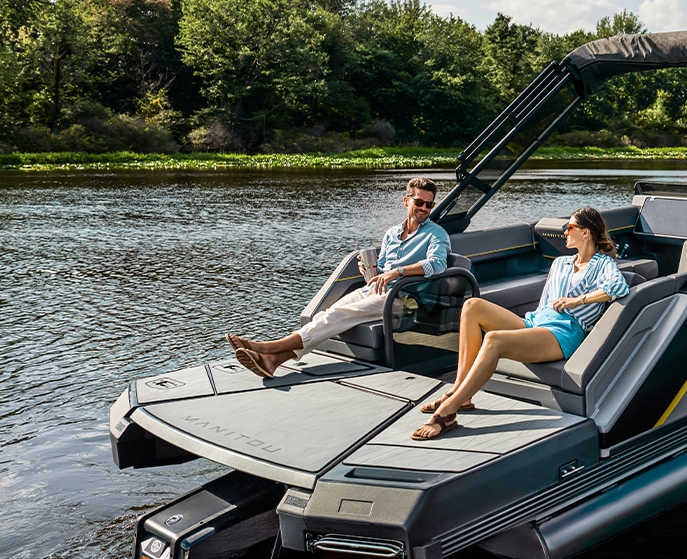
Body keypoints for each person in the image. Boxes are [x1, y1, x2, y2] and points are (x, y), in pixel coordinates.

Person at [411, 206, 629, 440]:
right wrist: (531, 323)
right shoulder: (561, 263)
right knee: (472, 306)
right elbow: (545, 302)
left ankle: (447, 411)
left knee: (494, 340)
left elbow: (617, 288)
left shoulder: (603, 264)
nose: (565, 232)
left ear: (586, 232)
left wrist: (578, 301)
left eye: (570, 227)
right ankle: (461, 394)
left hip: (564, 332)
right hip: (536, 322)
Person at [227, 176, 449, 377]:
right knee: (326, 313)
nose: (424, 208)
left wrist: (398, 272)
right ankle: (273, 361)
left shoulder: (436, 234)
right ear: (406, 201)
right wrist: (368, 271)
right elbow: (381, 268)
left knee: (339, 314)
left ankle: (268, 347)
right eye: (419, 202)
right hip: (375, 290)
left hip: (404, 298)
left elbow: (437, 264)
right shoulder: (391, 234)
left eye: (429, 204)